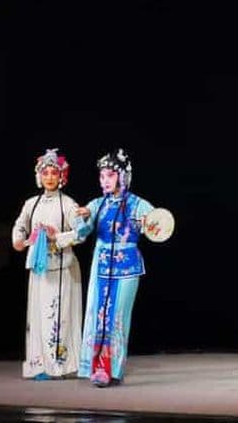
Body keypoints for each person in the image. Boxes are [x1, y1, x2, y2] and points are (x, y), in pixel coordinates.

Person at [73, 149, 155, 387]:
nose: (105, 180)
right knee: (99, 316)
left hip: (127, 268)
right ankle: (96, 368)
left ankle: (113, 369)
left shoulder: (138, 204)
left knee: (117, 317)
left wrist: (147, 224)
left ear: (122, 176)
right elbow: (81, 234)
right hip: (101, 267)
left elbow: (156, 227)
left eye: (109, 175)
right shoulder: (97, 205)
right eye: (101, 176)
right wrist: (82, 217)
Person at [11, 148, 83, 380]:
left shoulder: (68, 204)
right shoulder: (32, 204)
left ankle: (61, 366)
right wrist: (23, 241)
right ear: (39, 176)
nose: (49, 177)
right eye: (46, 173)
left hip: (63, 269)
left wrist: (57, 236)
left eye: (54, 172)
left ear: (61, 176)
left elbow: (81, 232)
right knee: (39, 317)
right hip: (40, 269)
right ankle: (39, 364)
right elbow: (19, 227)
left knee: (59, 316)